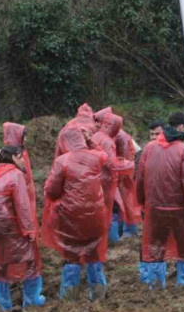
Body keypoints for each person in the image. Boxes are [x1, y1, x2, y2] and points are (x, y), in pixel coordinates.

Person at [43, 127, 133, 300]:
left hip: (71, 218)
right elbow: (105, 157)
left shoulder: (62, 161)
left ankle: (70, 297)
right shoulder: (94, 158)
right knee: (93, 253)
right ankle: (98, 293)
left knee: (72, 255)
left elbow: (52, 191)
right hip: (95, 216)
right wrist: (90, 140)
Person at [136, 112, 184, 289]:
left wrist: (141, 201)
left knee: (156, 244)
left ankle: (156, 283)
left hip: (155, 207)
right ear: (181, 127)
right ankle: (183, 285)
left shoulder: (149, 149)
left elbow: (141, 178)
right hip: (179, 208)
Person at [0, 146, 44, 311]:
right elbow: (23, 205)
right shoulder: (15, 175)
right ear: (14, 157)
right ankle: (33, 300)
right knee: (31, 261)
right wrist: (29, 230)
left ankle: (1, 304)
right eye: (21, 158)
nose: (23, 162)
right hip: (11, 226)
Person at [91, 113, 136, 243]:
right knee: (113, 210)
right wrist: (130, 165)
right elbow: (111, 163)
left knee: (104, 210)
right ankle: (113, 240)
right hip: (108, 180)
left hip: (95, 179)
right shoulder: (108, 141)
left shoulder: (95, 136)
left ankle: (106, 237)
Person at [3, 122, 37, 216]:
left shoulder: (22, 151)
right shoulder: (10, 155)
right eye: (23, 137)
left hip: (28, 187)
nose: (25, 139)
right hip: (21, 189)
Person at [114, 124, 142, 238]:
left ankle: (129, 231)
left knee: (127, 200)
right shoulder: (107, 134)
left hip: (128, 169)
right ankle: (123, 230)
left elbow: (136, 154)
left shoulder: (120, 136)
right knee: (120, 203)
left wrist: (131, 173)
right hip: (122, 169)